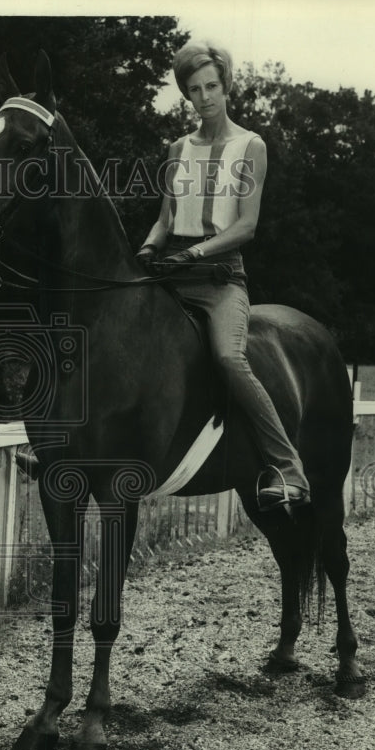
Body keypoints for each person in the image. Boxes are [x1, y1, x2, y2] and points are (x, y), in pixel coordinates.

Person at [134, 40, 310, 509]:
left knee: (230, 360)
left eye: (212, 85)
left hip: (220, 280)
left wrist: (194, 256)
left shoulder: (251, 146)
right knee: (115, 331)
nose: (205, 96)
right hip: (170, 273)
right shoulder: (176, 149)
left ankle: (288, 467)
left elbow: (246, 227)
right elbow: (165, 219)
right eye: (194, 89)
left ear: (226, 85)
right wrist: (149, 247)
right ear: (186, 96)